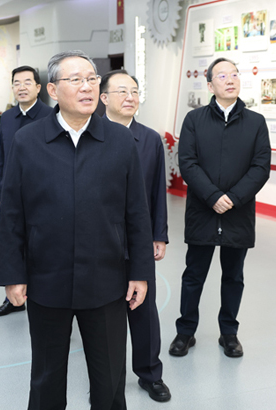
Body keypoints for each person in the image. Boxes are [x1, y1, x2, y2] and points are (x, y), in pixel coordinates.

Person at [0, 50, 154, 409]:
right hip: (46, 279)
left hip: (106, 280)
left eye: (92, 79)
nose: (87, 87)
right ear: (53, 90)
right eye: (76, 80)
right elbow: (12, 214)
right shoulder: (28, 141)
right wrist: (12, 274)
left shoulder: (119, 141)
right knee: (46, 377)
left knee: (109, 378)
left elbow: (137, 213)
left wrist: (140, 272)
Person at [169, 57, 270, 359]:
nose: (230, 80)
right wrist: (213, 196)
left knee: (234, 276)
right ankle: (185, 332)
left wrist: (234, 198)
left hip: (238, 213)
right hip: (203, 210)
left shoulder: (255, 122)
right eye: (222, 76)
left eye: (234, 74)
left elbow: (261, 167)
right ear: (210, 85)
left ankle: (229, 333)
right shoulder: (194, 120)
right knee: (193, 275)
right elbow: (187, 162)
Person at [99, 70, 170, 403]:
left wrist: (159, 235)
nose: (130, 97)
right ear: (103, 98)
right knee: (103, 315)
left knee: (143, 310)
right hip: (100, 240)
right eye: (121, 91)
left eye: (134, 91)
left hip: (139, 240)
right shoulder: (91, 135)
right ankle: (105, 379)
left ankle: (150, 373)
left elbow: (157, 193)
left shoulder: (150, 140)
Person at [0, 65, 52, 317]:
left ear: (38, 87)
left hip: (43, 197)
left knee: (42, 250)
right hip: (12, 197)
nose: (21, 87)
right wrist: (3, 195)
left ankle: (45, 301)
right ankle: (15, 301)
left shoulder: (51, 116)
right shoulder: (7, 118)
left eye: (27, 82)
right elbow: (2, 159)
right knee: (13, 247)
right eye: (17, 83)